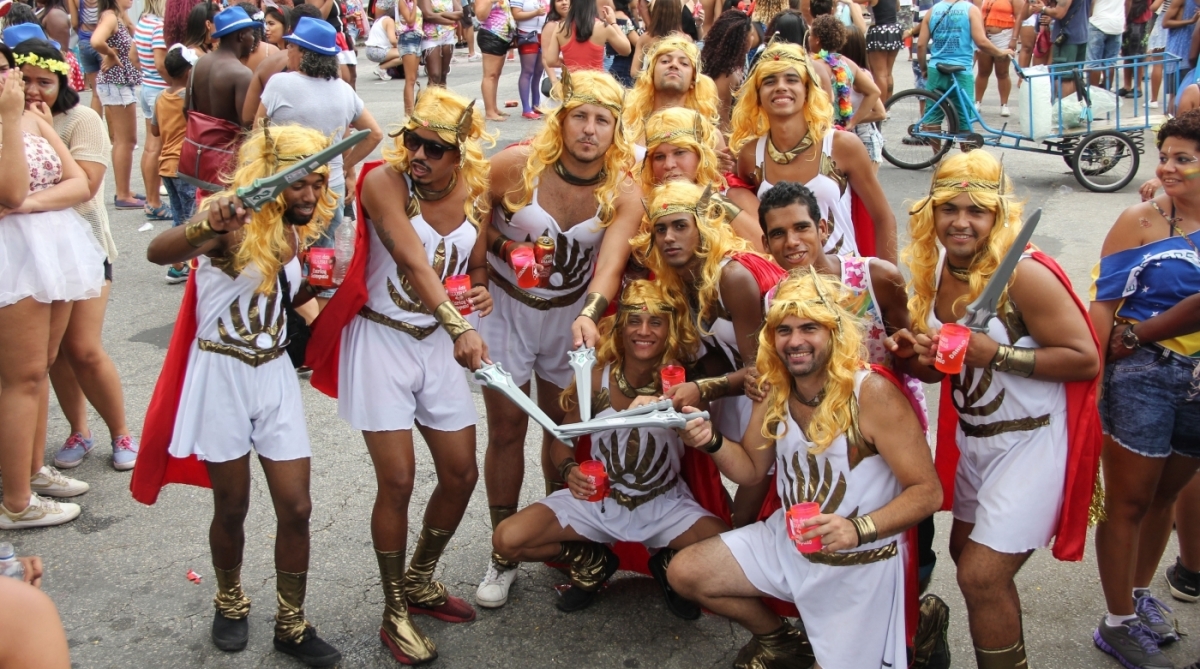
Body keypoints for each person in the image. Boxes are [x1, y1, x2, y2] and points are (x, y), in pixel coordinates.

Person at [135, 124, 343, 667]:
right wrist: (206, 220)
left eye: (318, 183)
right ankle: (229, 601)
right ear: (268, 179)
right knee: (232, 504)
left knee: (296, 506)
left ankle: (291, 624)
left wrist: (318, 295)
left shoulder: (299, 233)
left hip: (273, 375)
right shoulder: (232, 225)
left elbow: (283, 296)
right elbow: (160, 252)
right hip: (221, 375)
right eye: (298, 183)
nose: (309, 195)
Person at [889, 150, 1101, 669]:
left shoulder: (1023, 277)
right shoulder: (932, 267)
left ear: (997, 215)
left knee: (982, 574)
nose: (961, 222)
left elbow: (1085, 358)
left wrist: (998, 353)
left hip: (1032, 442)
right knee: (969, 560)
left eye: (976, 210)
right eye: (949, 209)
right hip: (977, 442)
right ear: (930, 213)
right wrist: (915, 358)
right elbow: (942, 372)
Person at [667, 269, 943, 669]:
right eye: (784, 329)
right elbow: (748, 471)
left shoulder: (872, 393)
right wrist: (710, 440)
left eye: (809, 327)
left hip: (861, 562)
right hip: (790, 542)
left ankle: (922, 627)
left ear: (835, 333)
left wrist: (856, 528)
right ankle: (783, 641)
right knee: (686, 572)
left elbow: (927, 491)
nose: (794, 341)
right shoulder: (775, 386)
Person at [305, 87, 493, 666]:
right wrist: (460, 325)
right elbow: (412, 259)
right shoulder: (381, 183)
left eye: (436, 148)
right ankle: (394, 611)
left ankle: (420, 578)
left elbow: (475, 260)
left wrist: (479, 289)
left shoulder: (478, 194)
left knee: (461, 473)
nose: (419, 155)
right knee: (399, 480)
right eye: (413, 141)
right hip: (381, 340)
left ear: (460, 154)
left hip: (438, 344)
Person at [474, 69, 643, 609]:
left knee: (562, 431)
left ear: (616, 130)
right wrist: (498, 258)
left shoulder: (624, 190)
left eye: (602, 120)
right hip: (506, 314)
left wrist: (592, 313)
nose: (589, 130)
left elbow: (610, 265)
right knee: (505, 430)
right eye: (580, 117)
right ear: (561, 120)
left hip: (570, 320)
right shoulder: (515, 166)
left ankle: (554, 541)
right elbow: (470, 230)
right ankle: (502, 554)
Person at [492, 279, 729, 615]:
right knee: (507, 538)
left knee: (726, 550)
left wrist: (673, 399)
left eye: (656, 322)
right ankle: (593, 561)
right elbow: (562, 439)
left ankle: (668, 565)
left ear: (670, 328)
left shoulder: (683, 382)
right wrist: (569, 469)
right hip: (599, 500)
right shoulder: (597, 377)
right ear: (620, 326)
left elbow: (728, 365)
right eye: (634, 320)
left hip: (664, 503)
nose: (643, 331)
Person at [1089, 111, 1200, 669]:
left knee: (1164, 498)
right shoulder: (1141, 220)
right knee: (1129, 501)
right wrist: (1096, 376)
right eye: (1166, 155)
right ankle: (1116, 623)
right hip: (1143, 376)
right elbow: (1104, 306)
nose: (1168, 166)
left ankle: (1135, 596)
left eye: (1184, 157)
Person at [11, 35, 139, 476]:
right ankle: (78, 429)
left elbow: (84, 185)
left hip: (82, 249)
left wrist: (22, 201)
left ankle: (120, 431)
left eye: (43, 82)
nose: (32, 91)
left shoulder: (80, 119)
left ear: (63, 80)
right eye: (23, 80)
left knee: (82, 348)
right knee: (52, 357)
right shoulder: (9, 120)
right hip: (28, 259)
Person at [0, 44, 103, 530]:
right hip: (11, 260)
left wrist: (29, 207)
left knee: (40, 367)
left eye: (6, 71)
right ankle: (16, 500)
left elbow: (80, 183)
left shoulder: (34, 119)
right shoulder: (10, 120)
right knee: (19, 377)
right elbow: (10, 189)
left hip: (52, 247)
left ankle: (32, 470)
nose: (8, 82)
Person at [730, 41, 898, 263]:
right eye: (769, 81)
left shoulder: (842, 145)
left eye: (792, 80)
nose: (781, 87)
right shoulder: (750, 155)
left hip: (846, 286)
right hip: (785, 287)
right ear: (758, 95)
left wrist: (889, 282)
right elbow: (749, 220)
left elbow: (882, 217)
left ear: (807, 90)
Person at [256, 15, 383, 297]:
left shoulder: (280, 84)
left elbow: (258, 132)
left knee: (284, 253)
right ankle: (321, 322)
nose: (287, 51)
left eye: (291, 46)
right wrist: (343, 165)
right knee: (323, 263)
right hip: (329, 186)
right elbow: (374, 133)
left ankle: (288, 312)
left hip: (285, 187)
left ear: (303, 53)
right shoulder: (344, 91)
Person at [640, 106, 760, 246]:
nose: (668, 164)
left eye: (680, 153)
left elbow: (767, 249)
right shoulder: (644, 203)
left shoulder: (732, 194)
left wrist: (712, 199)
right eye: (659, 157)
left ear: (701, 155)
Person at [916, 0, 1015, 139]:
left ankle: (937, 159)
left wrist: (924, 68)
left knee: (933, 117)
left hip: (936, 68)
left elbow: (921, 45)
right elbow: (981, 41)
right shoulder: (971, 10)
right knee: (964, 119)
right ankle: (966, 156)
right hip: (961, 70)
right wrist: (1000, 52)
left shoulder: (932, 11)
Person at [622, 35, 720, 147]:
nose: (674, 65)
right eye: (665, 61)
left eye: (684, 63)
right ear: (651, 74)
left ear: (693, 80)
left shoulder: (708, 136)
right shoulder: (628, 126)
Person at [153, 44, 198, 285]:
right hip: (184, 166)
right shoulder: (187, 98)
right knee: (190, 218)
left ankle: (177, 265)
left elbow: (154, 129)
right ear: (187, 72)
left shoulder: (161, 97)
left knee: (178, 216)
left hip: (165, 166)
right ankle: (184, 264)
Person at [91, 0, 142, 210]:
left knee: (125, 140)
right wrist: (111, 53)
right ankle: (122, 193)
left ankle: (125, 189)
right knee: (125, 140)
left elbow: (133, 34)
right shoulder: (111, 16)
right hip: (116, 83)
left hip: (119, 83)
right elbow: (96, 41)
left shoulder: (116, 16)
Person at [135, 0, 172, 221]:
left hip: (148, 87)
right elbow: (160, 63)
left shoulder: (143, 22)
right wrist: (173, 83)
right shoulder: (159, 26)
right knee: (157, 147)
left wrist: (148, 74)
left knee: (151, 146)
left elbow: (133, 57)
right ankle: (154, 202)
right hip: (159, 89)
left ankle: (151, 199)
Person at [700, 9, 759, 133]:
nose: (753, 38)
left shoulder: (716, 65)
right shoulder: (728, 76)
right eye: (751, 35)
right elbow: (722, 120)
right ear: (741, 40)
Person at [545, 0, 631, 73]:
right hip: (596, 85)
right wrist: (613, 23)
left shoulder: (560, 27)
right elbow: (626, 50)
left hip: (573, 85)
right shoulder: (602, 27)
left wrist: (571, 62)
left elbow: (551, 61)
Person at [975, 0, 1022, 116]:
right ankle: (977, 102)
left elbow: (1019, 16)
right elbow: (977, 13)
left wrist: (1014, 39)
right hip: (985, 36)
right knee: (983, 71)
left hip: (1004, 35)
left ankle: (1004, 105)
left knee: (1002, 72)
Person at [475, 0, 517, 121]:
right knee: (490, 75)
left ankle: (493, 108)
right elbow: (481, 16)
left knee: (496, 75)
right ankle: (489, 111)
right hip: (491, 34)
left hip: (502, 37)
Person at [630, 0, 686, 77]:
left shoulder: (645, 38)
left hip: (649, 86)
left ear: (656, 11)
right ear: (678, 13)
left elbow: (634, 72)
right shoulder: (685, 40)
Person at [71, 0, 106, 118]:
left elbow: (74, 23)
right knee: (110, 92)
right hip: (103, 42)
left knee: (96, 93)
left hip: (84, 41)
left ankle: (96, 130)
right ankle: (113, 135)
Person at [512, 0, 546, 118]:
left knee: (539, 72)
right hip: (527, 33)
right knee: (527, 71)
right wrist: (536, 12)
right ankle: (526, 108)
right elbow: (516, 14)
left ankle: (536, 105)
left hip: (545, 33)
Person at [866, 0, 904, 99]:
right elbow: (898, 8)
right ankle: (888, 103)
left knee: (880, 74)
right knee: (888, 73)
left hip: (879, 31)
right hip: (894, 30)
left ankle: (882, 106)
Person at [1041, 0, 1092, 65]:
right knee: (1077, 73)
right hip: (1082, 36)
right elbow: (1091, 12)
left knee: (1063, 73)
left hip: (1067, 39)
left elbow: (1059, 13)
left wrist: (1042, 8)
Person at [1087, 0, 1124, 88]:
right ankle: (1107, 93)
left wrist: (1089, 15)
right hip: (1117, 24)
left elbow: (1091, 2)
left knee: (1094, 63)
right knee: (1110, 63)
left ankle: (1093, 95)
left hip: (1098, 22)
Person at [364, 0, 402, 82]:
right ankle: (381, 68)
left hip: (371, 49)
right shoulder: (389, 21)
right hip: (376, 50)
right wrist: (399, 44)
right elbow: (393, 41)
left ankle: (382, 68)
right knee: (405, 54)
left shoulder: (382, 19)